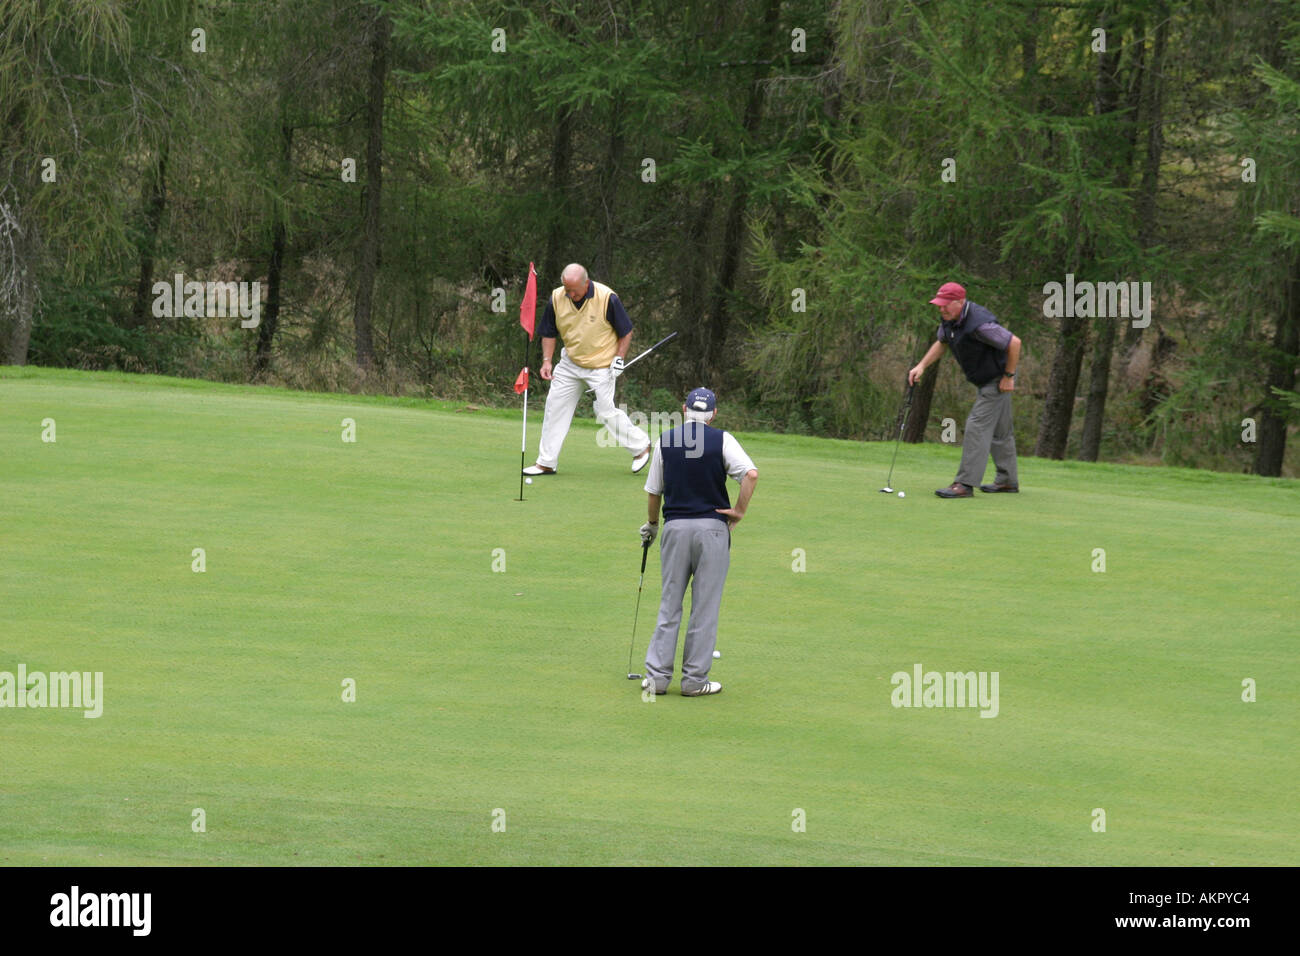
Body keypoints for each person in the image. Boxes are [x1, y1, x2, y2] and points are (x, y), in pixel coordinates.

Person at [638, 388, 758, 697]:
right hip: (713, 531)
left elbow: (654, 492)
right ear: (714, 414)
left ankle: (657, 680)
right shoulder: (723, 440)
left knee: (670, 604)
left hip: (675, 529)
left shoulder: (667, 440)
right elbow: (751, 475)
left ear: (684, 409)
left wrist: (652, 526)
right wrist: (739, 512)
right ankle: (693, 681)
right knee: (704, 608)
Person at [522, 263, 651, 476]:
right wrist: (547, 361)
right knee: (555, 407)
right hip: (570, 364)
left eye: (574, 290)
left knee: (605, 410)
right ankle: (546, 462)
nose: (570, 294)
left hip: (601, 366)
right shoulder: (556, 297)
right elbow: (548, 332)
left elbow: (626, 331)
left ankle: (641, 447)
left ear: (586, 283)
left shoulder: (607, 298)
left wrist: (619, 359)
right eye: (567, 290)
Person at [908, 282, 1021, 498]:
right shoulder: (951, 319)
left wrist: (1008, 376)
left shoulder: (980, 324)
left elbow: (1014, 343)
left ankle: (964, 484)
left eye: (945, 305)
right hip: (988, 377)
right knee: (1000, 431)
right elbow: (942, 342)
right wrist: (921, 365)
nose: (941, 309)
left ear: (960, 303)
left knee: (976, 426)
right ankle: (1007, 481)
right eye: (939, 305)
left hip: (998, 377)